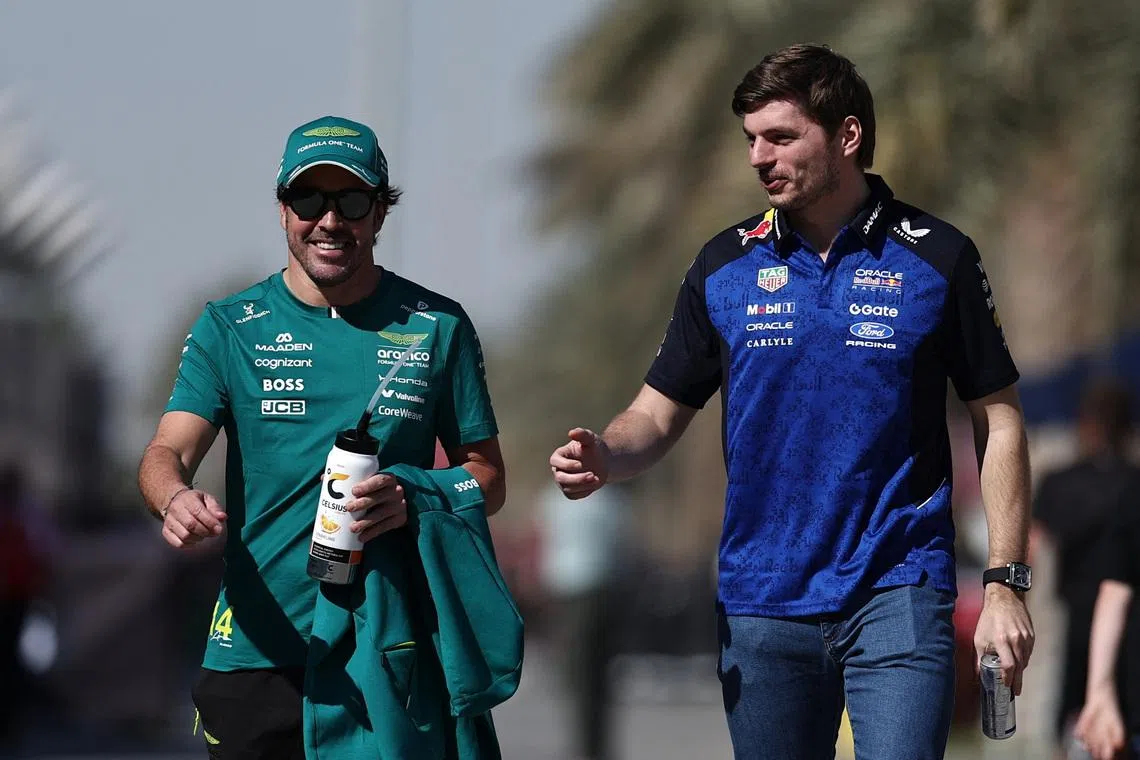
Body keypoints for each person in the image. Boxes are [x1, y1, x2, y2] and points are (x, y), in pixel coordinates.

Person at [549, 44, 1034, 760]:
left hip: (898, 590)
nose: (757, 156)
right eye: (751, 139)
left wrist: (1004, 583)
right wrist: (606, 454)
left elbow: (1000, 417)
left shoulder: (937, 258)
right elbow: (655, 413)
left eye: (780, 136)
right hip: (760, 603)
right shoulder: (723, 266)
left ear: (847, 136)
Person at [137, 115, 506, 759]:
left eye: (352, 201)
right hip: (258, 649)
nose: (329, 220)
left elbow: (488, 476)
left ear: (380, 214)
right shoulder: (230, 326)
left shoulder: (438, 326)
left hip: (387, 651)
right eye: (309, 199)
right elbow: (165, 454)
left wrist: (418, 494)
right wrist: (174, 498)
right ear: (283, 211)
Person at [1033, 378, 1138, 756]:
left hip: (1079, 605)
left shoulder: (1061, 483)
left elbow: (1034, 541)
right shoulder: (1132, 484)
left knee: (1072, 697)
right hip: (1122, 613)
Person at [538, 481, 629, 760]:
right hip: (602, 588)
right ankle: (594, 744)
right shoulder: (612, 500)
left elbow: (546, 540)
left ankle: (587, 745)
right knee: (596, 676)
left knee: (579, 674)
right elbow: (623, 546)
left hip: (569, 590)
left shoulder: (552, 500)